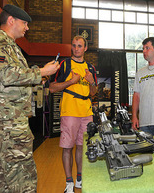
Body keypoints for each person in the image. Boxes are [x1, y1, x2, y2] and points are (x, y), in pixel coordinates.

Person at [0, 4, 60, 193]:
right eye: (24, 23)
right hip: (7, 120)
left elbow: (14, 78)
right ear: (11, 21)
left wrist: (39, 77)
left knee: (1, 172)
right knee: (21, 171)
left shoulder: (12, 48)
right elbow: (7, 75)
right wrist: (40, 71)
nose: (27, 27)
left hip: (10, 117)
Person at [49, 35, 97, 193]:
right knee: (68, 147)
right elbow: (52, 88)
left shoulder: (90, 68)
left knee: (82, 148)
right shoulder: (65, 64)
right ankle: (69, 181)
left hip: (86, 112)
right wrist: (71, 81)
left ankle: (80, 178)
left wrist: (91, 82)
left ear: (85, 48)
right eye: (74, 45)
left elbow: (94, 93)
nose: (76, 48)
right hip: (69, 112)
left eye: (79, 46)